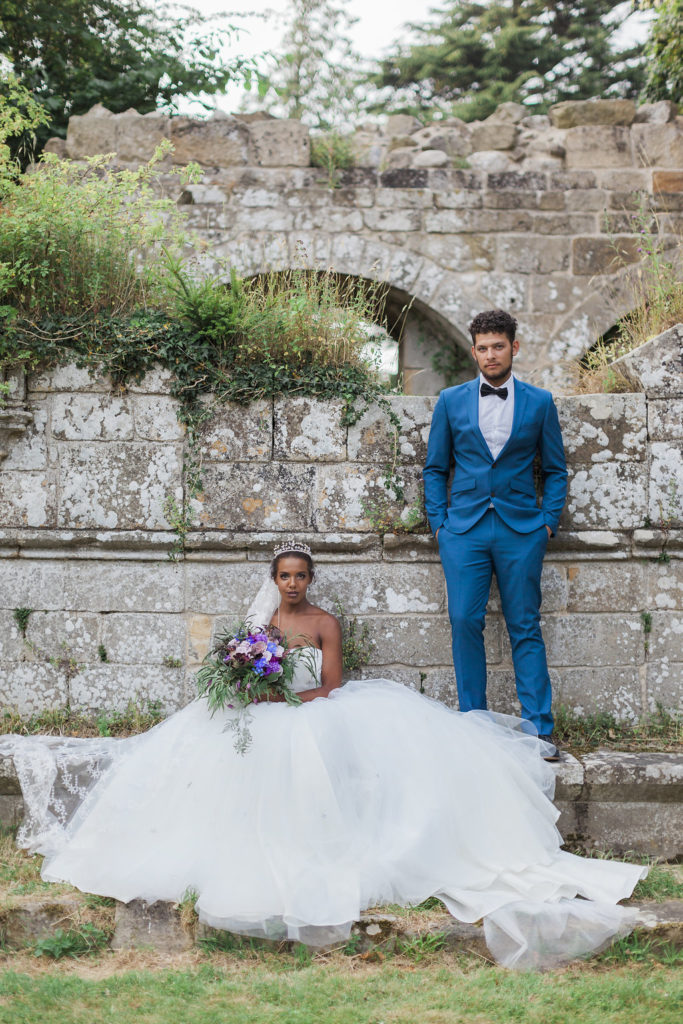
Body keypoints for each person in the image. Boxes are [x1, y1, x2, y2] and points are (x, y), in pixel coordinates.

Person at [2, 541, 647, 969]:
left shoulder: (323, 622)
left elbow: (333, 684)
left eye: (299, 577)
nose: (290, 585)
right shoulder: (260, 629)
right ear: (273, 581)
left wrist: (298, 699)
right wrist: (254, 684)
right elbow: (241, 673)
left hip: (315, 708)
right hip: (269, 709)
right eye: (282, 577)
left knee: (322, 751)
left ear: (310, 580)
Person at [423, 309, 568, 760]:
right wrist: (439, 524)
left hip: (521, 528)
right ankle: (474, 724)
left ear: (514, 348)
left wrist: (547, 522)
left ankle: (539, 730)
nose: (490, 355)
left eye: (498, 346)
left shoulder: (540, 402)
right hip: (462, 529)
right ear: (473, 351)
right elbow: (435, 468)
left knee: (525, 625)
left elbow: (557, 470)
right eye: (482, 348)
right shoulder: (450, 400)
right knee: (464, 621)